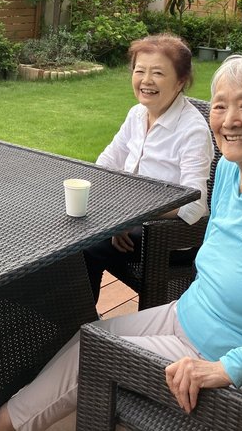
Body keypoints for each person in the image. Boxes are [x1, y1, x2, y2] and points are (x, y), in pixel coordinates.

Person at [0, 52, 242, 431]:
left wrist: (227, 368)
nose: (229, 120)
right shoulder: (230, 168)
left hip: (235, 362)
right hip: (190, 315)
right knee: (89, 337)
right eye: (220, 106)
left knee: (88, 357)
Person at [84, 33, 214, 303]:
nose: (146, 80)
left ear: (180, 81)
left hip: (170, 237)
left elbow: (194, 205)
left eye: (158, 73)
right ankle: (73, 315)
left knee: (84, 246)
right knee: (71, 234)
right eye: (139, 70)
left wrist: (128, 216)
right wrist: (116, 217)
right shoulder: (136, 114)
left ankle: (77, 321)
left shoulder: (192, 130)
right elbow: (105, 165)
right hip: (132, 223)